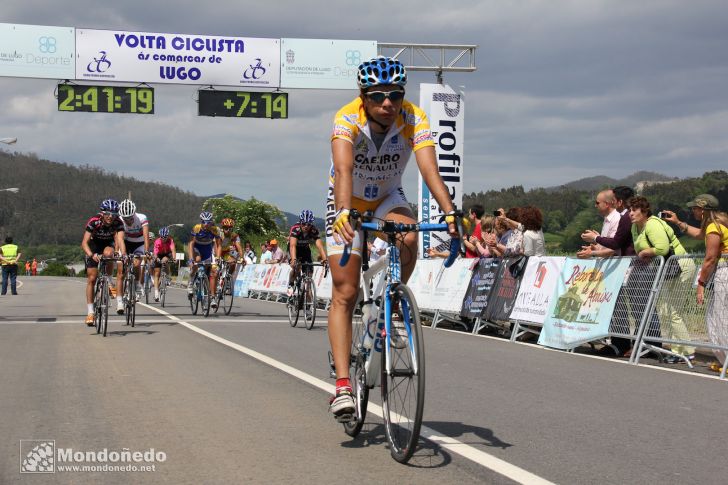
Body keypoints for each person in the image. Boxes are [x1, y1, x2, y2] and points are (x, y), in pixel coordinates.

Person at [325, 56, 458, 420]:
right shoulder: (346, 117)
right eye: (378, 96)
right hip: (346, 200)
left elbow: (430, 169)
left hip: (387, 196)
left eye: (395, 95)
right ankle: (341, 385)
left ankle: (393, 302)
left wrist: (449, 212)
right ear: (363, 96)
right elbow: (344, 168)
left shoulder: (413, 117)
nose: (388, 103)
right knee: (346, 291)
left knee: (409, 237)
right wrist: (342, 212)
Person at [662, 194, 728, 371]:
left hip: (724, 273)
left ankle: (727, 360)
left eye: (695, 208)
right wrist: (677, 222)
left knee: (718, 319)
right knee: (718, 317)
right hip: (722, 272)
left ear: (703, 209)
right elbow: (698, 234)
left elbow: (709, 259)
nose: (692, 211)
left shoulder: (714, 227)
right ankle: (724, 360)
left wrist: (701, 284)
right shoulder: (715, 225)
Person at [629, 196, 695, 362]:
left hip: (680, 266)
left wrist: (645, 253)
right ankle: (676, 349)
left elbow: (662, 247)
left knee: (674, 312)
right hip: (666, 269)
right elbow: (639, 248)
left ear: (644, 211)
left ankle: (686, 351)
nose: (631, 213)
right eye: (630, 210)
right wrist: (642, 253)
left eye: (634, 210)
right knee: (666, 310)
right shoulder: (635, 228)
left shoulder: (652, 224)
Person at [81, 199, 126, 325]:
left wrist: (123, 254)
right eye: (107, 214)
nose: (110, 217)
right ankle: (90, 313)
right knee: (92, 278)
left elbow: (121, 240)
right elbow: (84, 243)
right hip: (94, 246)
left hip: (108, 245)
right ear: (102, 213)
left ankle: (109, 280)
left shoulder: (118, 223)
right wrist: (91, 254)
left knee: (109, 254)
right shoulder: (94, 221)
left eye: (114, 214)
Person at [582, 186, 635, 256]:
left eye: (613, 200)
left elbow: (615, 244)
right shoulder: (625, 216)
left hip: (630, 262)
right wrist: (598, 243)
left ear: (620, 202)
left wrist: (595, 238)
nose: (612, 203)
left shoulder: (625, 217)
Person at [118, 199, 150, 310]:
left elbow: (146, 237)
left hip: (139, 243)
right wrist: (121, 253)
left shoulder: (142, 218)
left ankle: (137, 283)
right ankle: (120, 301)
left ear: (134, 214)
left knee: (137, 263)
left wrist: (146, 252)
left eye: (130, 218)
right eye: (125, 219)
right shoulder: (119, 220)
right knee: (121, 268)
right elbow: (119, 239)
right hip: (126, 243)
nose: (128, 221)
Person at [287, 210, 328, 296]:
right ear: (300, 222)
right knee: (296, 267)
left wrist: (325, 259)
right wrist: (294, 259)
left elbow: (320, 245)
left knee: (309, 271)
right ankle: (291, 283)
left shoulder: (313, 230)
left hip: (305, 249)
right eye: (304, 224)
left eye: (309, 224)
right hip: (294, 249)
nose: (306, 226)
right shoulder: (296, 229)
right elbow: (293, 245)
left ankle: (308, 294)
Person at [187, 211, 222, 309]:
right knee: (196, 261)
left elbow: (219, 245)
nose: (206, 225)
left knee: (213, 272)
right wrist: (191, 259)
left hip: (207, 249)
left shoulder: (215, 230)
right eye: (204, 222)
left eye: (208, 222)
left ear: (211, 222)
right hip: (197, 248)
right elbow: (191, 244)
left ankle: (212, 297)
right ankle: (190, 283)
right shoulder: (196, 228)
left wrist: (218, 257)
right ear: (201, 222)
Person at [578, 190, 620, 259]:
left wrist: (591, 253)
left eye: (597, 203)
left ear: (606, 204)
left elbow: (614, 248)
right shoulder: (607, 218)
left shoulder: (616, 219)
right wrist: (595, 247)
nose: (595, 205)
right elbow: (607, 245)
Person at [152, 226, 176, 302]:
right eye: (162, 237)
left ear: (168, 236)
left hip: (167, 254)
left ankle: (167, 276)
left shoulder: (170, 240)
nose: (164, 239)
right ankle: (156, 292)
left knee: (165, 260)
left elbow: (173, 250)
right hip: (158, 254)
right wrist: (156, 258)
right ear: (160, 236)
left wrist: (174, 258)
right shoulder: (157, 241)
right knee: (157, 273)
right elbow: (155, 252)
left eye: (165, 237)